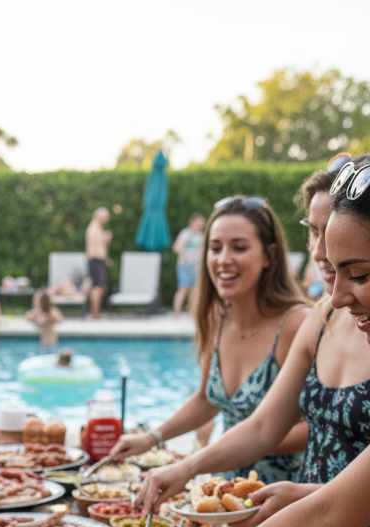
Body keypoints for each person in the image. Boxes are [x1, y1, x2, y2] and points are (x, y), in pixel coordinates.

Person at [136, 160, 370, 527]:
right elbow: (263, 425)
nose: (321, 255)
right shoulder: (323, 316)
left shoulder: (298, 318)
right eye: (313, 231)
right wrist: (185, 467)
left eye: (358, 274)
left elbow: (332, 507)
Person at [110, 197, 310, 483]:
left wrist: (240, 444)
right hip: (225, 493)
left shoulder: (298, 324)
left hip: (288, 495)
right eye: (215, 248)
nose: (223, 259)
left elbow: (318, 427)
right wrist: (151, 438)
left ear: (269, 255)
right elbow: (207, 399)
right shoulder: (217, 318)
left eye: (239, 247)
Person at [172, 213, 206, 314]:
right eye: (200, 221)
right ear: (193, 222)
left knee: (194, 290)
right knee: (183, 288)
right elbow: (176, 247)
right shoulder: (185, 234)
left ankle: (192, 312)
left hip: (197, 266)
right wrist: (187, 255)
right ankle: (176, 314)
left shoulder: (201, 236)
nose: (202, 223)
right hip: (184, 265)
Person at [85, 207, 111, 320]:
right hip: (95, 260)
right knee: (97, 287)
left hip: (97, 260)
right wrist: (106, 239)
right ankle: (95, 313)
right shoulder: (94, 229)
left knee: (99, 287)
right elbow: (94, 249)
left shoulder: (97, 228)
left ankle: (95, 312)